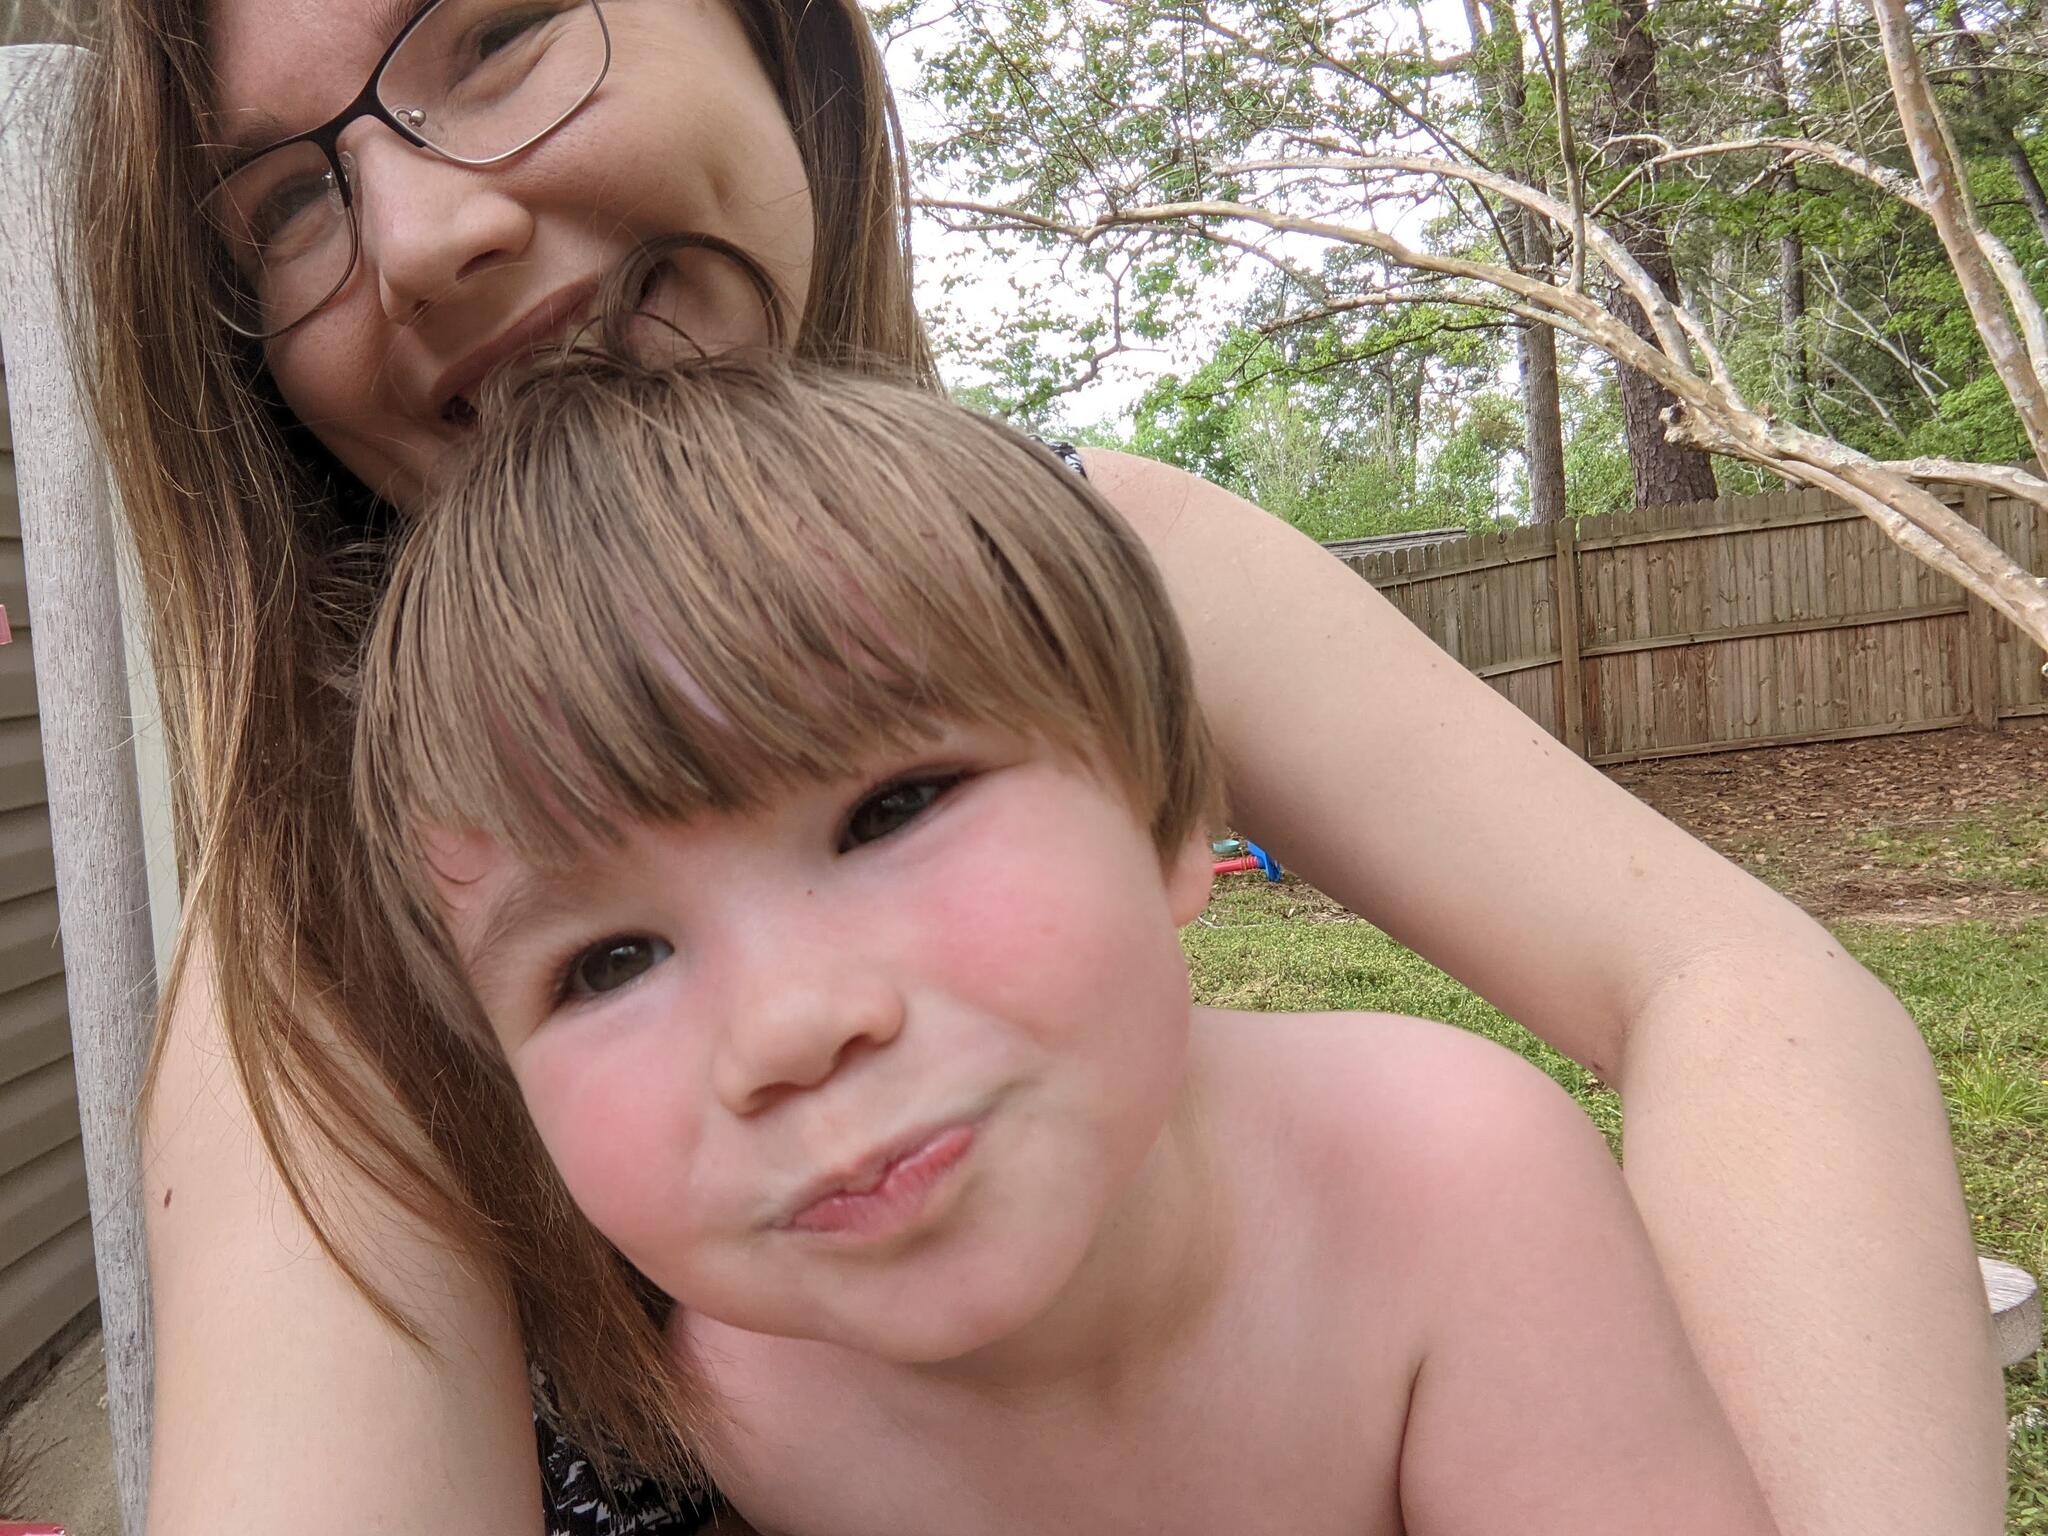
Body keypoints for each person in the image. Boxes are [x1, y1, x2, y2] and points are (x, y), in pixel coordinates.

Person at [53, 0, 1999, 1531]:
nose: (423, 234)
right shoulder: (332, 900)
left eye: (496, 33)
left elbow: (1730, 981)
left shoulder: (1125, 561)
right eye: (283, 206)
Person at [350, 349, 1784, 1536]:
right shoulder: (722, 1415)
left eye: (891, 810)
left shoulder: (1452, 1186)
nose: (788, 1027)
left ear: (1169, 816)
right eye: (608, 963)